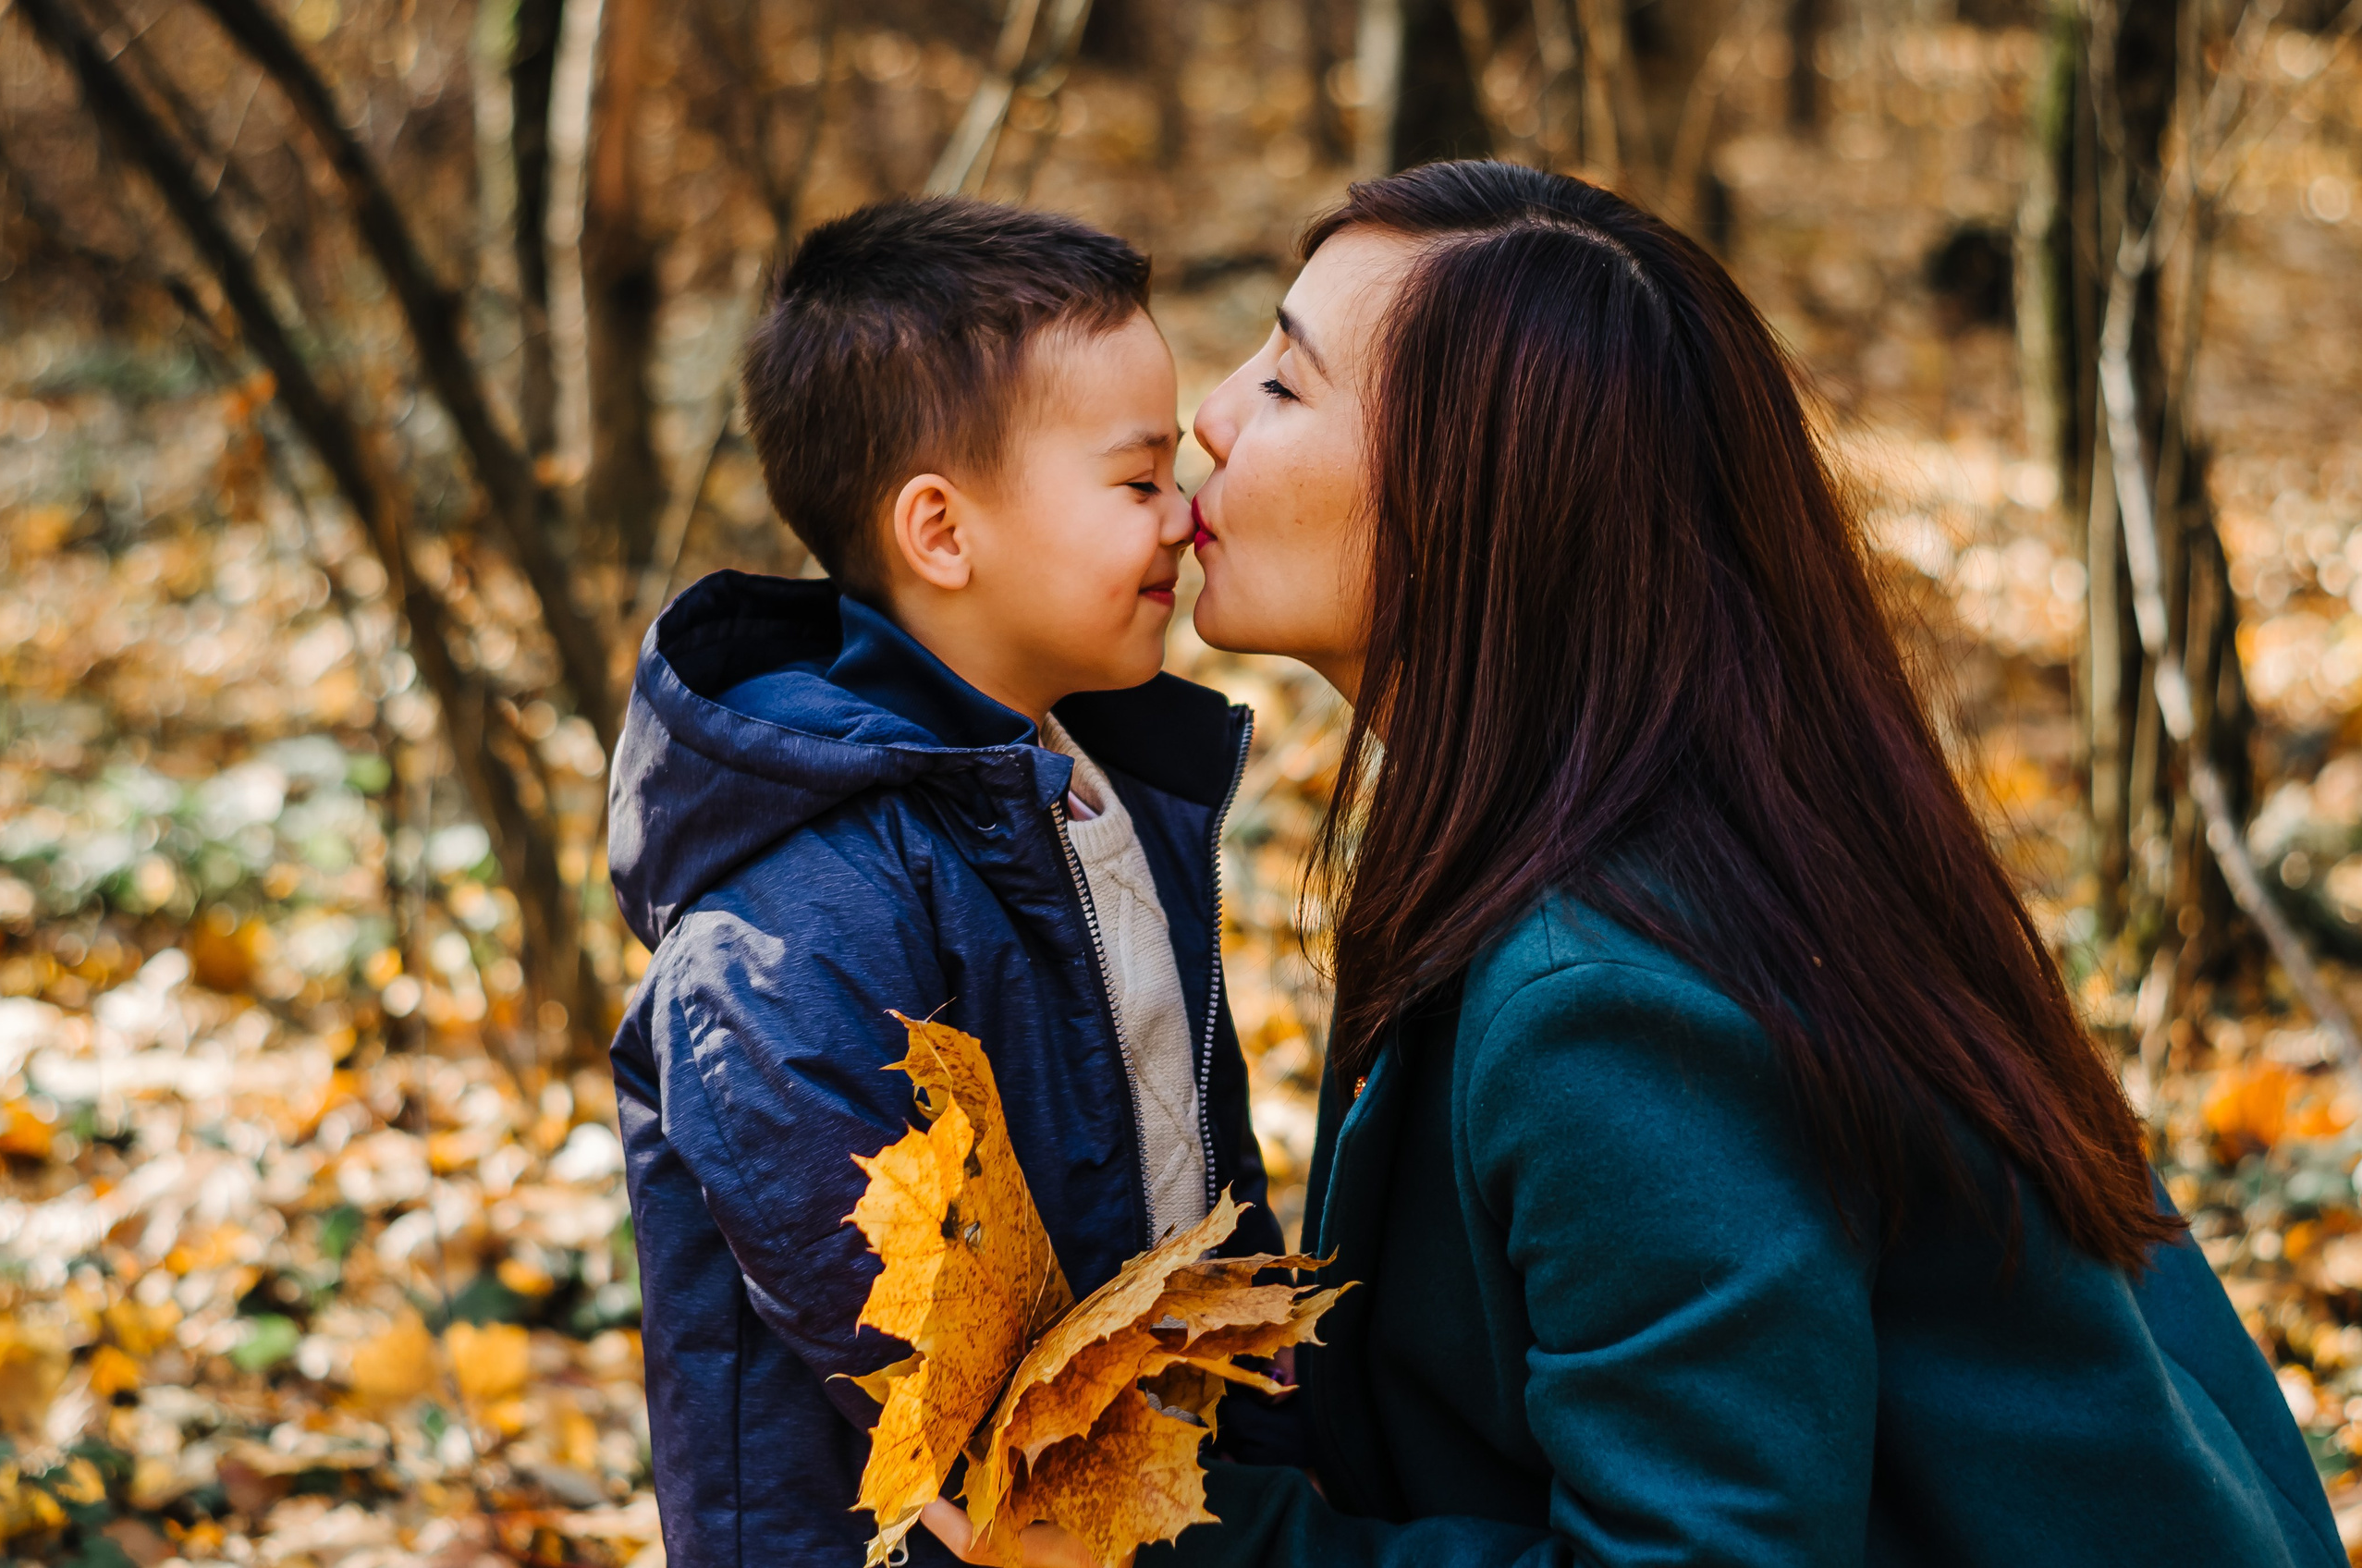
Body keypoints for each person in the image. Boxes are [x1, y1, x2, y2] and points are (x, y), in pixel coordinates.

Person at [923, 160, 2344, 1568]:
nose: (1209, 423)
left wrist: (1186, 1552)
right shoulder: (1676, 830)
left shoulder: (1607, 1001)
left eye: (1286, 386)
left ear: (1477, 499)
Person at [605, 196, 1290, 1568]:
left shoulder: (1104, 781)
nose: (1184, 516)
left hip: (1138, 1501)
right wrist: (1015, 1508)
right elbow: (865, 1280)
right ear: (941, 532)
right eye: (1137, 481)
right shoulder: (812, 889)